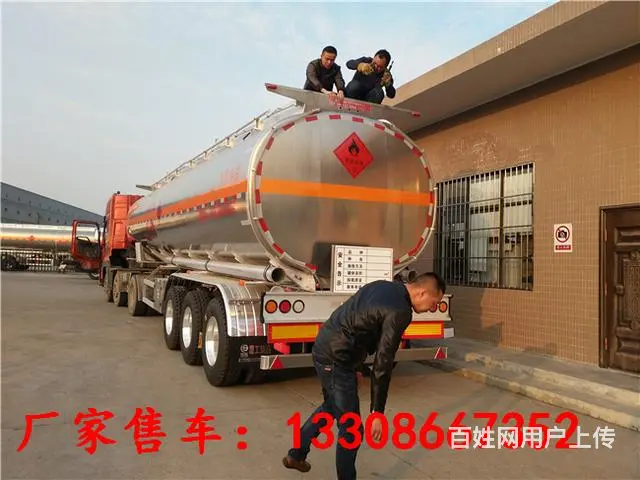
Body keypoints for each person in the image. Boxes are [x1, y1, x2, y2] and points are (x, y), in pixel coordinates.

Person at [282, 272, 446, 479]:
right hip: (337, 359)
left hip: (327, 347)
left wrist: (357, 368)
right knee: (351, 429)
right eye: (434, 302)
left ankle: (296, 455)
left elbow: (357, 323)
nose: (433, 308)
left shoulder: (384, 286)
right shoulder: (400, 311)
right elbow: (384, 361)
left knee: (331, 407)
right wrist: (377, 412)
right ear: (422, 293)